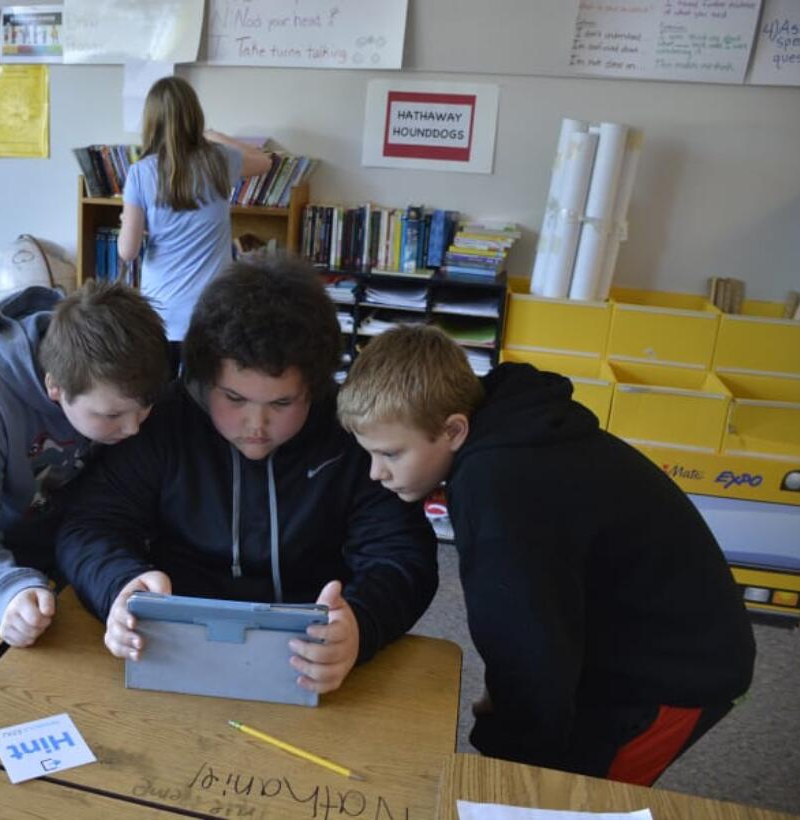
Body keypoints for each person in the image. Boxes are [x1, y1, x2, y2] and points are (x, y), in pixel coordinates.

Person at [337, 324, 756, 785]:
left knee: (581, 795)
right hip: (611, 631)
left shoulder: (496, 484)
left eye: (391, 454)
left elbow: (526, 639)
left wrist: (510, 744)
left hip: (677, 670)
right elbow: (532, 610)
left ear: (454, 430)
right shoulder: (507, 429)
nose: (377, 473)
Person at [56, 257, 438, 695]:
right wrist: (119, 585)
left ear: (314, 389)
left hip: (309, 654)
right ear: (202, 380)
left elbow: (402, 553)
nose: (255, 425)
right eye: (234, 398)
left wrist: (361, 624)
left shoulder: (347, 431)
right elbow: (89, 526)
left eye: (281, 404)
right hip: (172, 645)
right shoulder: (164, 421)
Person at [0, 282, 168, 648]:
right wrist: (5, 589)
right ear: (54, 386)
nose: (134, 428)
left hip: (82, 558)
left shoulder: (120, 371)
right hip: (5, 565)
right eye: (112, 415)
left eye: (145, 407)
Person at [117, 76, 272, 370]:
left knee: (162, 401)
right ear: (195, 116)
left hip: (162, 313)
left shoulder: (141, 173)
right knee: (205, 400)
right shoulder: (220, 160)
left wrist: (129, 222)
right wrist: (214, 135)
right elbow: (263, 161)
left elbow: (128, 251)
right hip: (213, 312)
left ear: (151, 122)